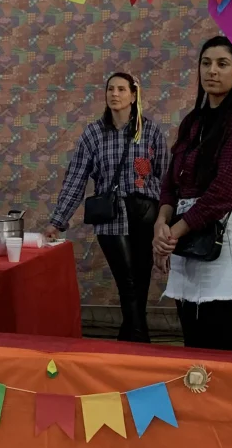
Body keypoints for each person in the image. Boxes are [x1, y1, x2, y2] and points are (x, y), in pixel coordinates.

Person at [154, 37, 232, 351]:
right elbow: (171, 182)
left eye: (222, 63)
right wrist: (160, 224)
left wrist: (173, 233)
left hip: (221, 240)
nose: (212, 71)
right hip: (186, 241)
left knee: (225, 346)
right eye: (206, 63)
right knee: (193, 343)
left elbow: (224, 192)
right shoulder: (193, 121)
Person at [46, 73, 168, 342]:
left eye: (122, 89)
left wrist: (166, 221)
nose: (115, 94)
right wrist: (57, 221)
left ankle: (130, 340)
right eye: (110, 89)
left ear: (133, 96)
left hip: (145, 214)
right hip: (111, 216)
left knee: (141, 281)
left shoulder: (150, 131)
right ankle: (140, 341)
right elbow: (75, 179)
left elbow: (165, 178)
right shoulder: (93, 133)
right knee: (127, 281)